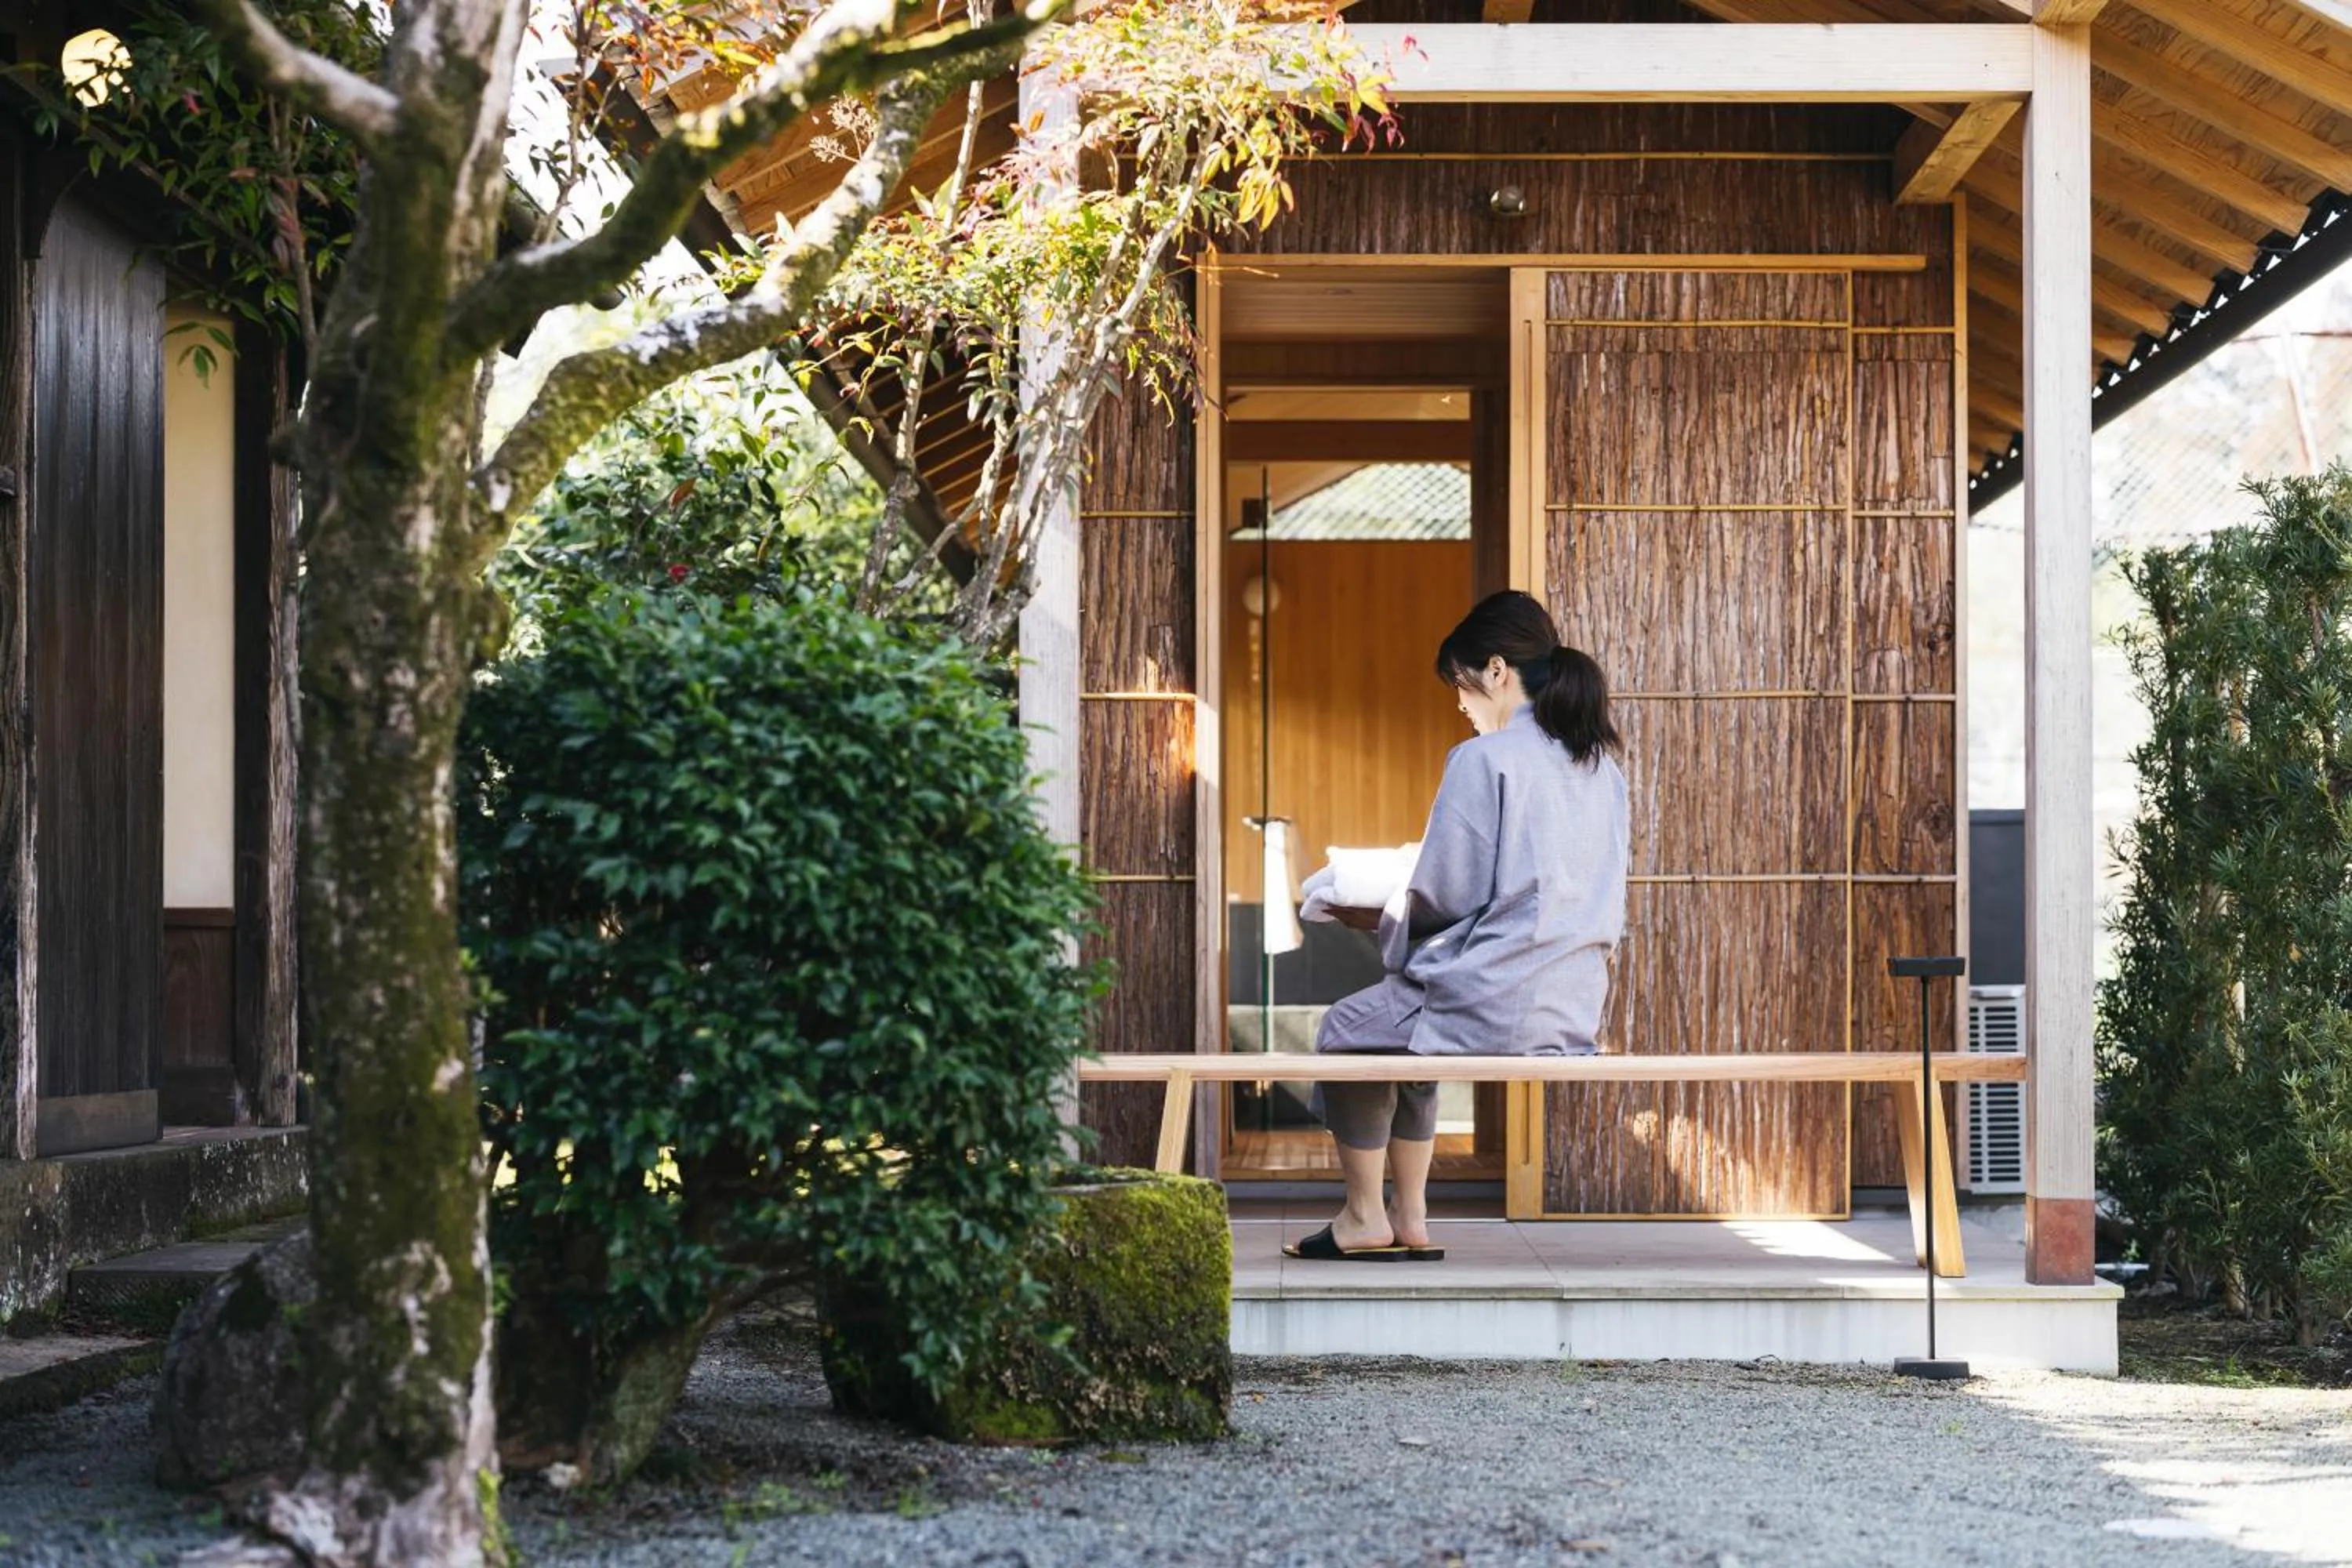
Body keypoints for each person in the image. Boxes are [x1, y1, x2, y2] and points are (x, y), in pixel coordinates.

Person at [1284, 590, 1629, 1262]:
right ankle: (1408, 1217)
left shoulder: (1484, 760)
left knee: (1345, 1032)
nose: (1461, 706)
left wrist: (1369, 906)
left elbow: (1444, 892)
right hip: (1571, 1004)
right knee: (1404, 1033)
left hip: (1493, 995)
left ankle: (1362, 1216)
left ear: (1497, 672)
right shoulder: (1600, 767)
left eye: (1461, 687)